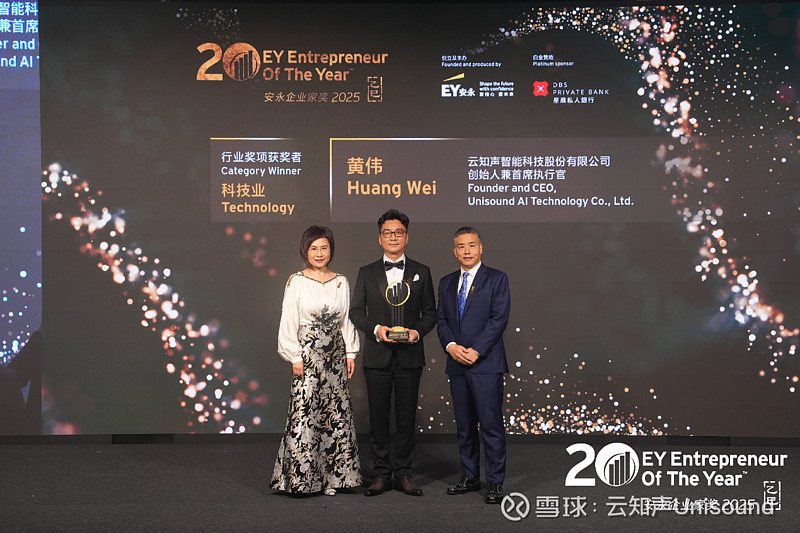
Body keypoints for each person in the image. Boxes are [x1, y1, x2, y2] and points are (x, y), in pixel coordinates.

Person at [350, 209, 436, 497]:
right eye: (387, 233)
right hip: (377, 356)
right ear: (380, 238)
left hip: (410, 357)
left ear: (406, 237)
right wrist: (377, 329)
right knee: (378, 419)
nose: (393, 237)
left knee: (406, 418)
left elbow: (431, 314)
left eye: (398, 232)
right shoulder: (366, 272)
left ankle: (404, 473)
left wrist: (416, 332)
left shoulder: (422, 271)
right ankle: (381, 474)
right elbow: (356, 312)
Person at [271, 225, 361, 497]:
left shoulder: (341, 281)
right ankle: (302, 480)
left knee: (336, 413)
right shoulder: (296, 281)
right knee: (306, 414)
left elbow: (346, 320)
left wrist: (350, 352)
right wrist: (294, 355)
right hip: (307, 355)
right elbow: (289, 319)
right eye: (314, 248)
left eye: (324, 248)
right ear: (305, 250)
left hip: (335, 356)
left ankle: (337, 479)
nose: (319, 253)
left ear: (331, 249)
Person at [436, 227, 511, 504]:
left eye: (471, 245)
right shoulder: (446, 282)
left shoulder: (497, 278)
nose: (466, 251)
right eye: (461, 246)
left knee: (491, 425)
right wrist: (451, 346)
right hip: (457, 363)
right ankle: (469, 476)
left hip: (486, 364)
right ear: (454, 251)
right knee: (465, 426)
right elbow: (441, 320)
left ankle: (495, 482)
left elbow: (499, 318)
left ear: (481, 248)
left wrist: (477, 350)